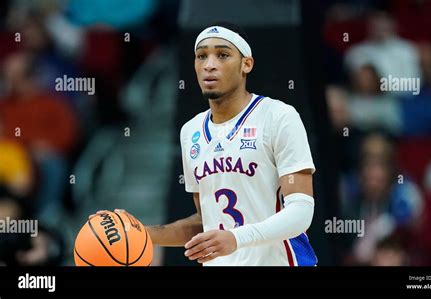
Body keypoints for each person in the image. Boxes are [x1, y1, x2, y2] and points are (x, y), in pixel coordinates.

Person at [91, 22, 317, 266]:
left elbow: (301, 212)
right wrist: (139, 232)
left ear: (246, 64)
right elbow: (205, 221)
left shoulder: (278, 116)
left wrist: (236, 238)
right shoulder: (191, 131)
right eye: (201, 56)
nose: (209, 65)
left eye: (222, 55)